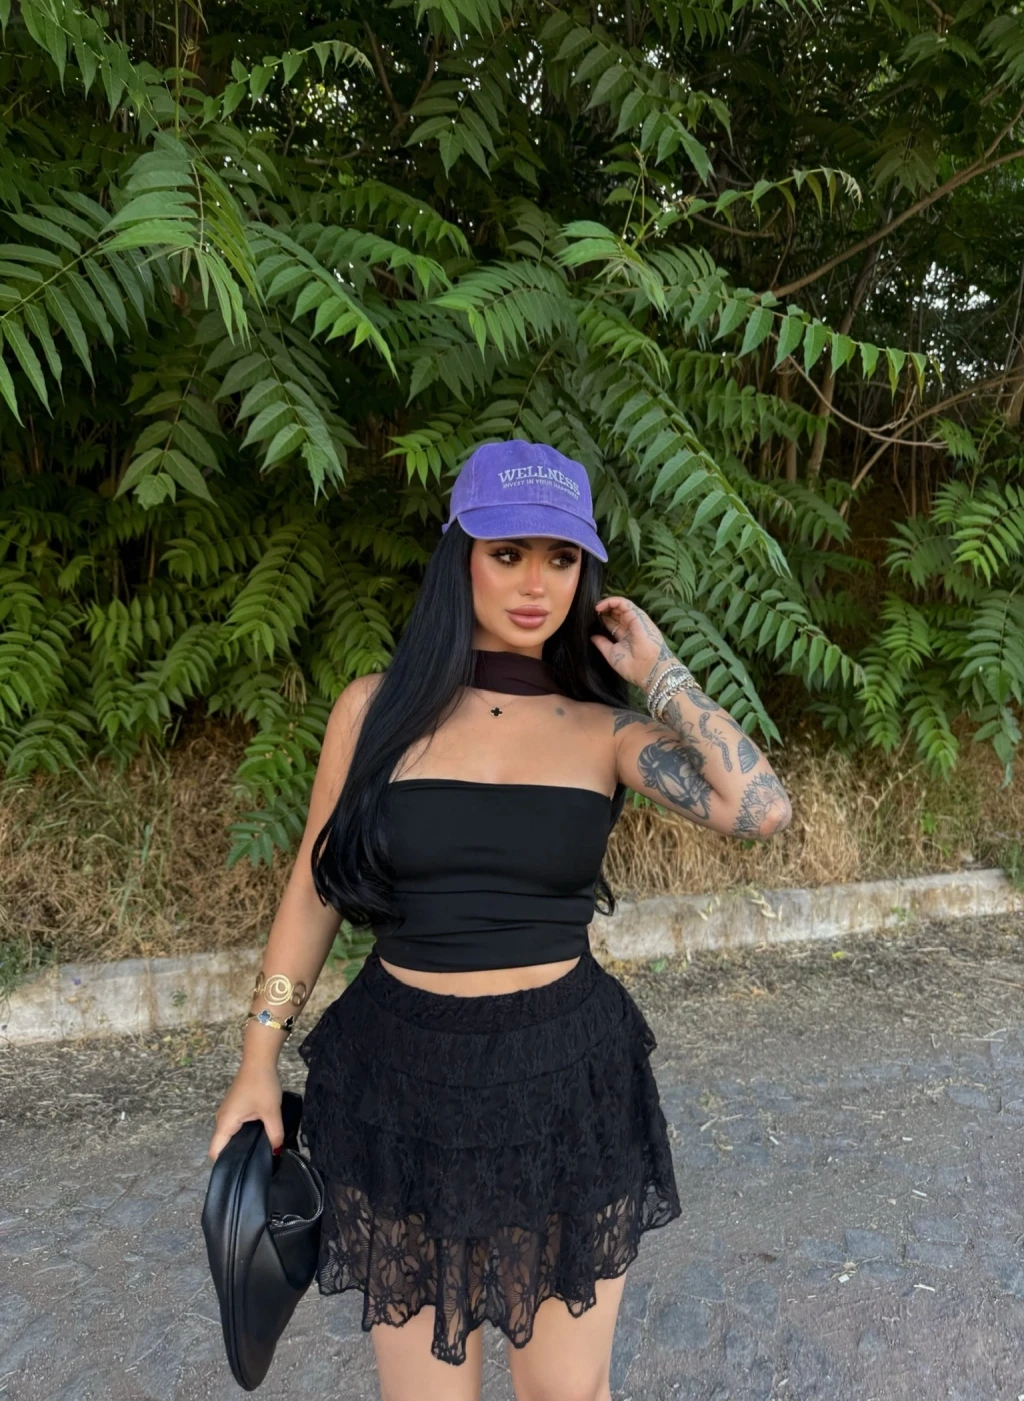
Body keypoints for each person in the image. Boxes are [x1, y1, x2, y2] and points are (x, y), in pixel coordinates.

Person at [208, 438, 793, 1401]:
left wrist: (659, 669)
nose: (535, 584)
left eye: (560, 558)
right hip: (400, 1081)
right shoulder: (374, 712)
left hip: (561, 1083)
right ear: (461, 559)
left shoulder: (605, 729)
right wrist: (257, 1059)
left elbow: (759, 807)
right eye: (507, 552)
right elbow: (314, 889)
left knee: (566, 1392)